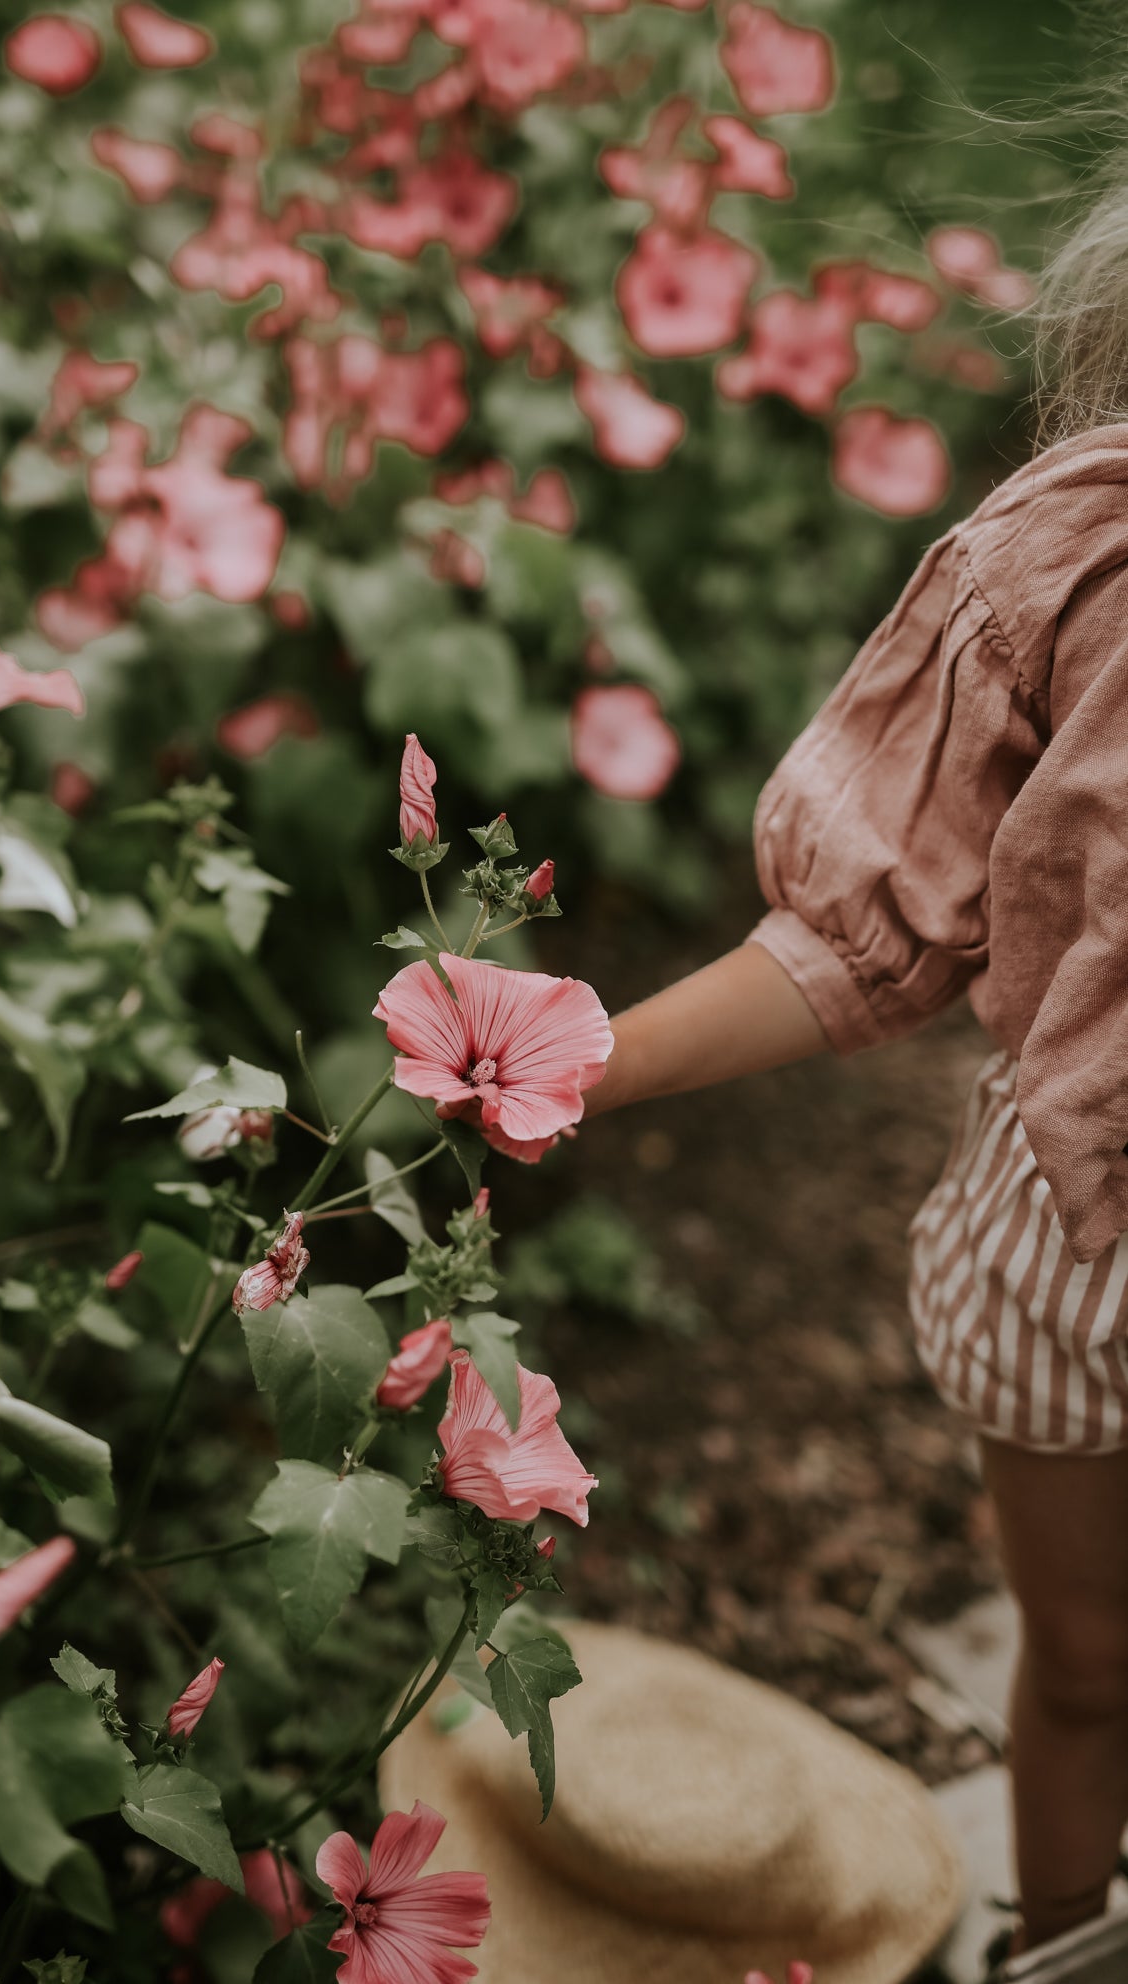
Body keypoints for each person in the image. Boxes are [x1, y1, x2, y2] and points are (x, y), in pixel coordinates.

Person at [580, 178, 1128, 1967]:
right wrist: (592, 1057)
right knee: (1089, 1661)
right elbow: (866, 926)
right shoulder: (1074, 566)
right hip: (1076, 1259)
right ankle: (1066, 1942)